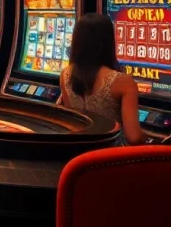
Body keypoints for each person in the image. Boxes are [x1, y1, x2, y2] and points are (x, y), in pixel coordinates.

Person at [59, 13, 148, 146]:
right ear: (108, 40)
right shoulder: (123, 82)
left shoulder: (65, 75)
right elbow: (134, 137)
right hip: (109, 159)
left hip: (78, 153)